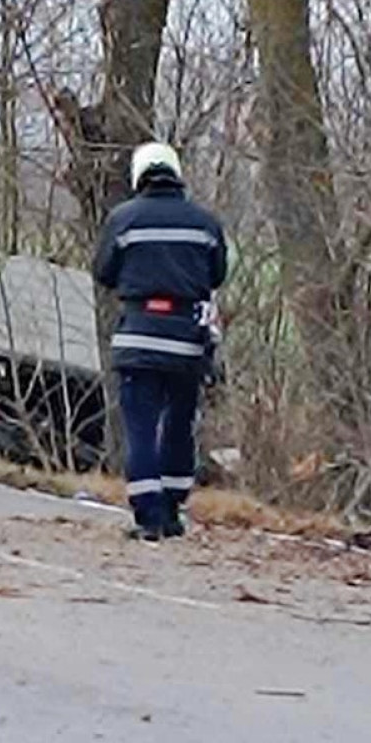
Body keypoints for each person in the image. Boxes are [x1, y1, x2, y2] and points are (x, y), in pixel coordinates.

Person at [94, 142, 228, 542]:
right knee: (179, 425)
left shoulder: (123, 219)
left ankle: (148, 516)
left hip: (138, 333)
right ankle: (172, 509)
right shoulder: (205, 223)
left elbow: (104, 270)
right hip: (187, 338)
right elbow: (217, 274)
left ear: (139, 175)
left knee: (140, 426)